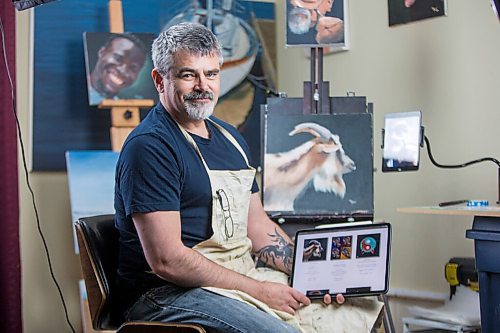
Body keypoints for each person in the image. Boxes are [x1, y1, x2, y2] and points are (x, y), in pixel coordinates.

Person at [114, 22, 383, 333]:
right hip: (166, 293)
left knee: (350, 309)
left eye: (212, 73)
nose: (203, 85)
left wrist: (314, 275)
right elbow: (167, 260)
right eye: (189, 75)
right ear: (160, 80)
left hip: (236, 275)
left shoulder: (230, 139)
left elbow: (257, 225)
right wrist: (258, 291)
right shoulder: (150, 147)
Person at [87, 33, 147, 105]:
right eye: (118, 58)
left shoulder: (128, 105)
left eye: (133, 67)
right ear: (102, 52)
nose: (123, 71)